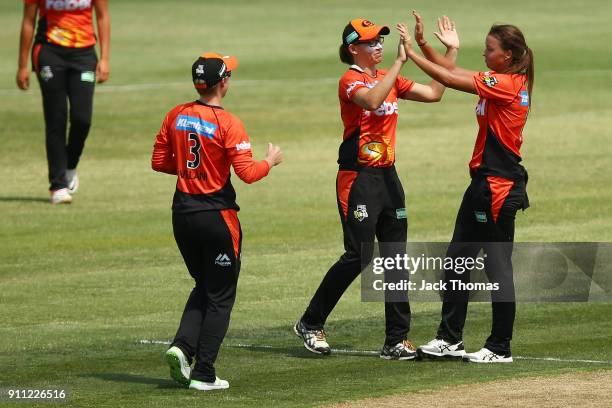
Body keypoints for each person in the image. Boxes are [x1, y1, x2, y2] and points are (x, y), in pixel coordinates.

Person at [293, 17, 457, 360]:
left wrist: (450, 50)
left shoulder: (389, 77)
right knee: (359, 255)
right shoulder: (350, 80)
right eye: (372, 42)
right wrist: (399, 63)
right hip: (358, 179)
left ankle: (396, 340)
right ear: (354, 48)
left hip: (388, 178)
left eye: (381, 41)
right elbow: (370, 101)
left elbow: (435, 92)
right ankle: (311, 322)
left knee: (396, 257)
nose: (379, 46)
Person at [398, 14, 534, 363]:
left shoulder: (507, 84)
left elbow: (449, 79)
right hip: (482, 185)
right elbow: (454, 72)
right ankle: (450, 339)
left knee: (497, 269)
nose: (484, 53)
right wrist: (434, 47)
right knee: (457, 261)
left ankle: (499, 347)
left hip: (499, 188)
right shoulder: (504, 79)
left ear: (507, 54)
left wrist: (410, 55)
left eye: (490, 49)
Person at [152, 52, 282, 390]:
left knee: (205, 286)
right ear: (223, 82)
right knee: (222, 295)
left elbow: (159, 161)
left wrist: (191, 169)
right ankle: (204, 374)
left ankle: (182, 348)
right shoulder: (228, 123)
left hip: (182, 214)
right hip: (217, 218)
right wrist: (270, 161)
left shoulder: (176, 114)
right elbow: (248, 174)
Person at [17, 0, 111, 204]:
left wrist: (104, 58)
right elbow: (28, 21)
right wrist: (22, 65)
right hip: (49, 52)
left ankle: (70, 165)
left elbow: (102, 16)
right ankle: (58, 185)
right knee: (56, 119)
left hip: (84, 54)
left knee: (82, 119)